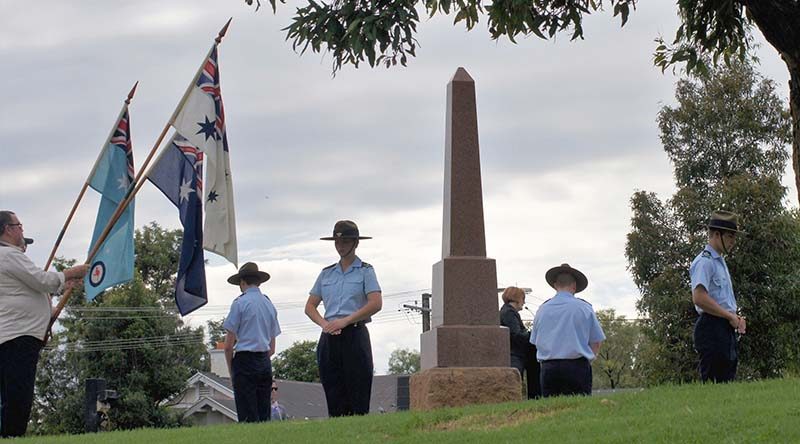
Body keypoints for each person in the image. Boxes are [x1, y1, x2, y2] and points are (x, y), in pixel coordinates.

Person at [0, 210, 88, 437]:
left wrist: (63, 285)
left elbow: (34, 288)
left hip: (17, 334)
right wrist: (70, 272)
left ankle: (11, 434)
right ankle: (12, 436)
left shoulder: (9, 258)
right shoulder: (8, 256)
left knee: (14, 393)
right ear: (8, 229)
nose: (22, 231)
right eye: (19, 225)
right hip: (17, 336)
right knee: (18, 393)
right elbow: (42, 280)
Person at [305, 220, 382, 417]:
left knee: (358, 391)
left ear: (356, 243)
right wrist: (325, 324)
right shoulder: (326, 273)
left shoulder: (366, 270)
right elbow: (310, 306)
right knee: (333, 390)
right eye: (337, 242)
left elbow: (375, 303)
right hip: (330, 335)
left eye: (346, 242)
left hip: (355, 333)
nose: (341, 246)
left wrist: (346, 321)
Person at [530, 263, 605, 397]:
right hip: (577, 367)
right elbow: (596, 341)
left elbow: (535, 342)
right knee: (580, 411)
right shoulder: (584, 308)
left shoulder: (542, 310)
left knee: (551, 411)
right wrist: (589, 360)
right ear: (574, 286)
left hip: (549, 369)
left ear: (555, 285)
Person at [690, 210, 746, 383]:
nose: (733, 242)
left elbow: (722, 299)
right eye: (730, 237)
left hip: (725, 327)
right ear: (716, 234)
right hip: (711, 327)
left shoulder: (720, 262)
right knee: (713, 381)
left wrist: (735, 317)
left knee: (727, 381)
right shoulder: (705, 261)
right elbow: (699, 298)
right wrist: (729, 316)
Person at [223, 262, 281, 423]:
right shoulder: (269, 304)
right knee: (264, 414)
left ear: (242, 282)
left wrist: (232, 370)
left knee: (248, 416)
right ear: (259, 282)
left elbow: (228, 346)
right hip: (264, 361)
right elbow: (272, 347)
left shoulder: (239, 303)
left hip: (244, 361)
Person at [499, 286, 541, 399]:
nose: (524, 301)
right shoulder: (509, 313)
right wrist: (533, 334)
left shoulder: (507, 312)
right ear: (517, 298)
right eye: (523, 298)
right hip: (515, 355)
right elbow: (516, 335)